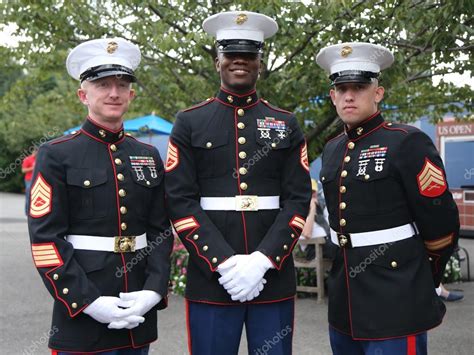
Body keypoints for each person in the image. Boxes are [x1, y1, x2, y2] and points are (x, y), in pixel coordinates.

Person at [165, 11, 311, 354]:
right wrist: (224, 263)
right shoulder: (189, 122)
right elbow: (179, 199)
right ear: (218, 61)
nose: (240, 61)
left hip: (271, 277)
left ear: (261, 62)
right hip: (212, 278)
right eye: (231, 54)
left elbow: (297, 199)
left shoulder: (285, 123)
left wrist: (262, 260)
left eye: (250, 55)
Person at [27, 38, 173, 354]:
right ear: (83, 95)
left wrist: (153, 290)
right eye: (103, 84)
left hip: (137, 307)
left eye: (122, 85)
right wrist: (87, 301)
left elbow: (161, 231)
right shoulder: (57, 155)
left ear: (131, 95)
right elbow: (45, 240)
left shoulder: (147, 154)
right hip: (83, 309)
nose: (113, 93)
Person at [315, 42, 460, 355]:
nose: (349, 95)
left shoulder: (407, 142)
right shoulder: (332, 149)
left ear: (377, 92)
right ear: (333, 96)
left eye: (359, 87)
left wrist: (424, 276)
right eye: (342, 88)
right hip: (344, 298)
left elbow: (441, 222)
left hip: (396, 294)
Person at [21, 147, 37, 214]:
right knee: (29, 196)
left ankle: (33, 211)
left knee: (35, 196)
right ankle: (27, 212)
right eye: (36, 152)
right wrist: (33, 168)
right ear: (34, 152)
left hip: (36, 180)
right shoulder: (28, 159)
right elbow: (23, 170)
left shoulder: (39, 159)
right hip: (29, 180)